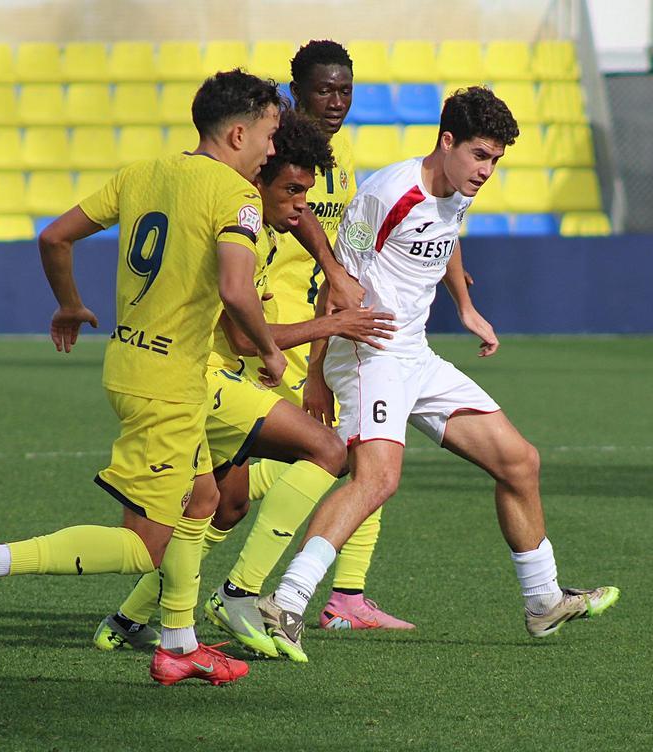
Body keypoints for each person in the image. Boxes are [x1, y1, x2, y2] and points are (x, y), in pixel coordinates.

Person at [0, 70, 286, 687]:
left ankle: (178, 643)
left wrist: (69, 304)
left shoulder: (141, 173)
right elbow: (235, 288)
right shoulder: (238, 196)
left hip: (132, 365)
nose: (272, 150)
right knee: (146, 545)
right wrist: (269, 351)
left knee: (202, 499)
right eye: (269, 135)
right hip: (169, 386)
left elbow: (55, 237)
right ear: (236, 134)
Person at [257, 87, 620, 662]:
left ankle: (543, 601)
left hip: (416, 356)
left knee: (519, 461)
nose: (487, 170)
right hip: (368, 349)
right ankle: (287, 600)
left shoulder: (458, 188)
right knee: (377, 480)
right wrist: (320, 374)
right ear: (446, 142)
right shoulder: (386, 194)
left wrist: (466, 308)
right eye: (480, 155)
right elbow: (336, 283)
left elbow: (446, 237)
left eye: (496, 160)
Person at [92, 109, 398, 659]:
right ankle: (240, 594)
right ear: (259, 176)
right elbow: (237, 333)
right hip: (196, 381)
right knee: (328, 449)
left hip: (196, 377)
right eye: (294, 191)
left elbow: (297, 219)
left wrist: (330, 269)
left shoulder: (260, 212)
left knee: (221, 506)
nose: (304, 206)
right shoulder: (239, 222)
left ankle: (131, 618)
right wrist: (326, 326)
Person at [219, 40, 416, 646]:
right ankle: (185, 585)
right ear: (295, 92)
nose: (337, 102)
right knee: (235, 486)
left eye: (346, 91)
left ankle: (345, 595)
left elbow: (332, 228)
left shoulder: (341, 154)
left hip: (323, 329)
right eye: (324, 90)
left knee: (361, 454)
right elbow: (290, 222)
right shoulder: (272, 150)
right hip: (273, 332)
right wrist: (330, 280)